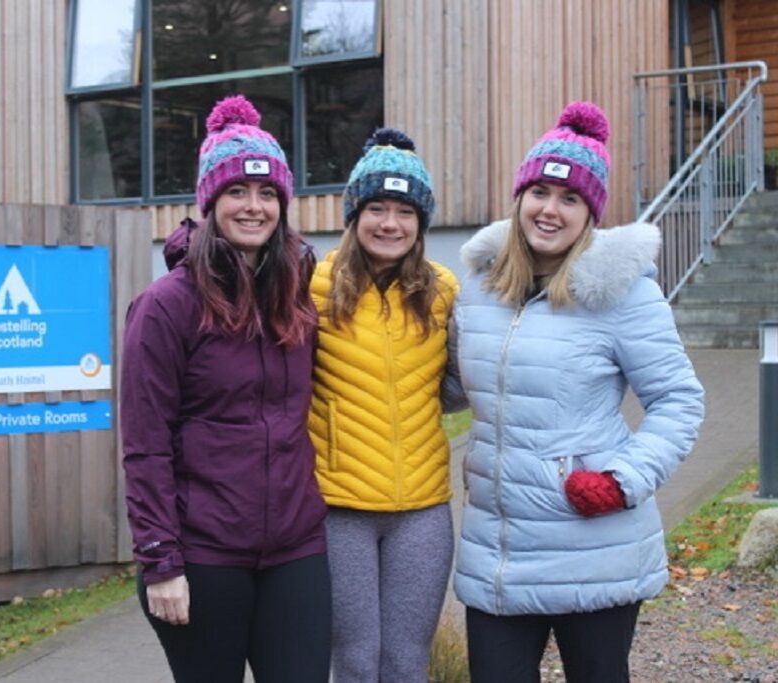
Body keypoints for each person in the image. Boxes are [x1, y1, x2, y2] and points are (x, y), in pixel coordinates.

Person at [445, 101, 705, 682]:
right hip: (499, 550)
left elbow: (679, 401)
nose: (550, 210)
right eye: (540, 192)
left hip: (592, 542)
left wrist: (622, 480)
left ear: (590, 213)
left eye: (570, 199)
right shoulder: (479, 290)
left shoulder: (623, 294)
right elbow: (451, 388)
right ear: (520, 198)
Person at [120, 94, 331, 683]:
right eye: (237, 191)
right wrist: (161, 562)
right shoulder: (166, 307)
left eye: (268, 194)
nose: (254, 207)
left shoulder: (295, 300)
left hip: (295, 548)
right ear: (209, 202)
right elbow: (145, 445)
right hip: (202, 553)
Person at [308, 128, 460, 682]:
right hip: (337, 508)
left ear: (421, 222)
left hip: (421, 510)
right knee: (353, 661)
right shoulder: (311, 287)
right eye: (376, 207)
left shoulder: (443, 291)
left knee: (405, 663)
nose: (389, 223)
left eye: (404, 210)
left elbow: (462, 384)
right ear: (354, 214)